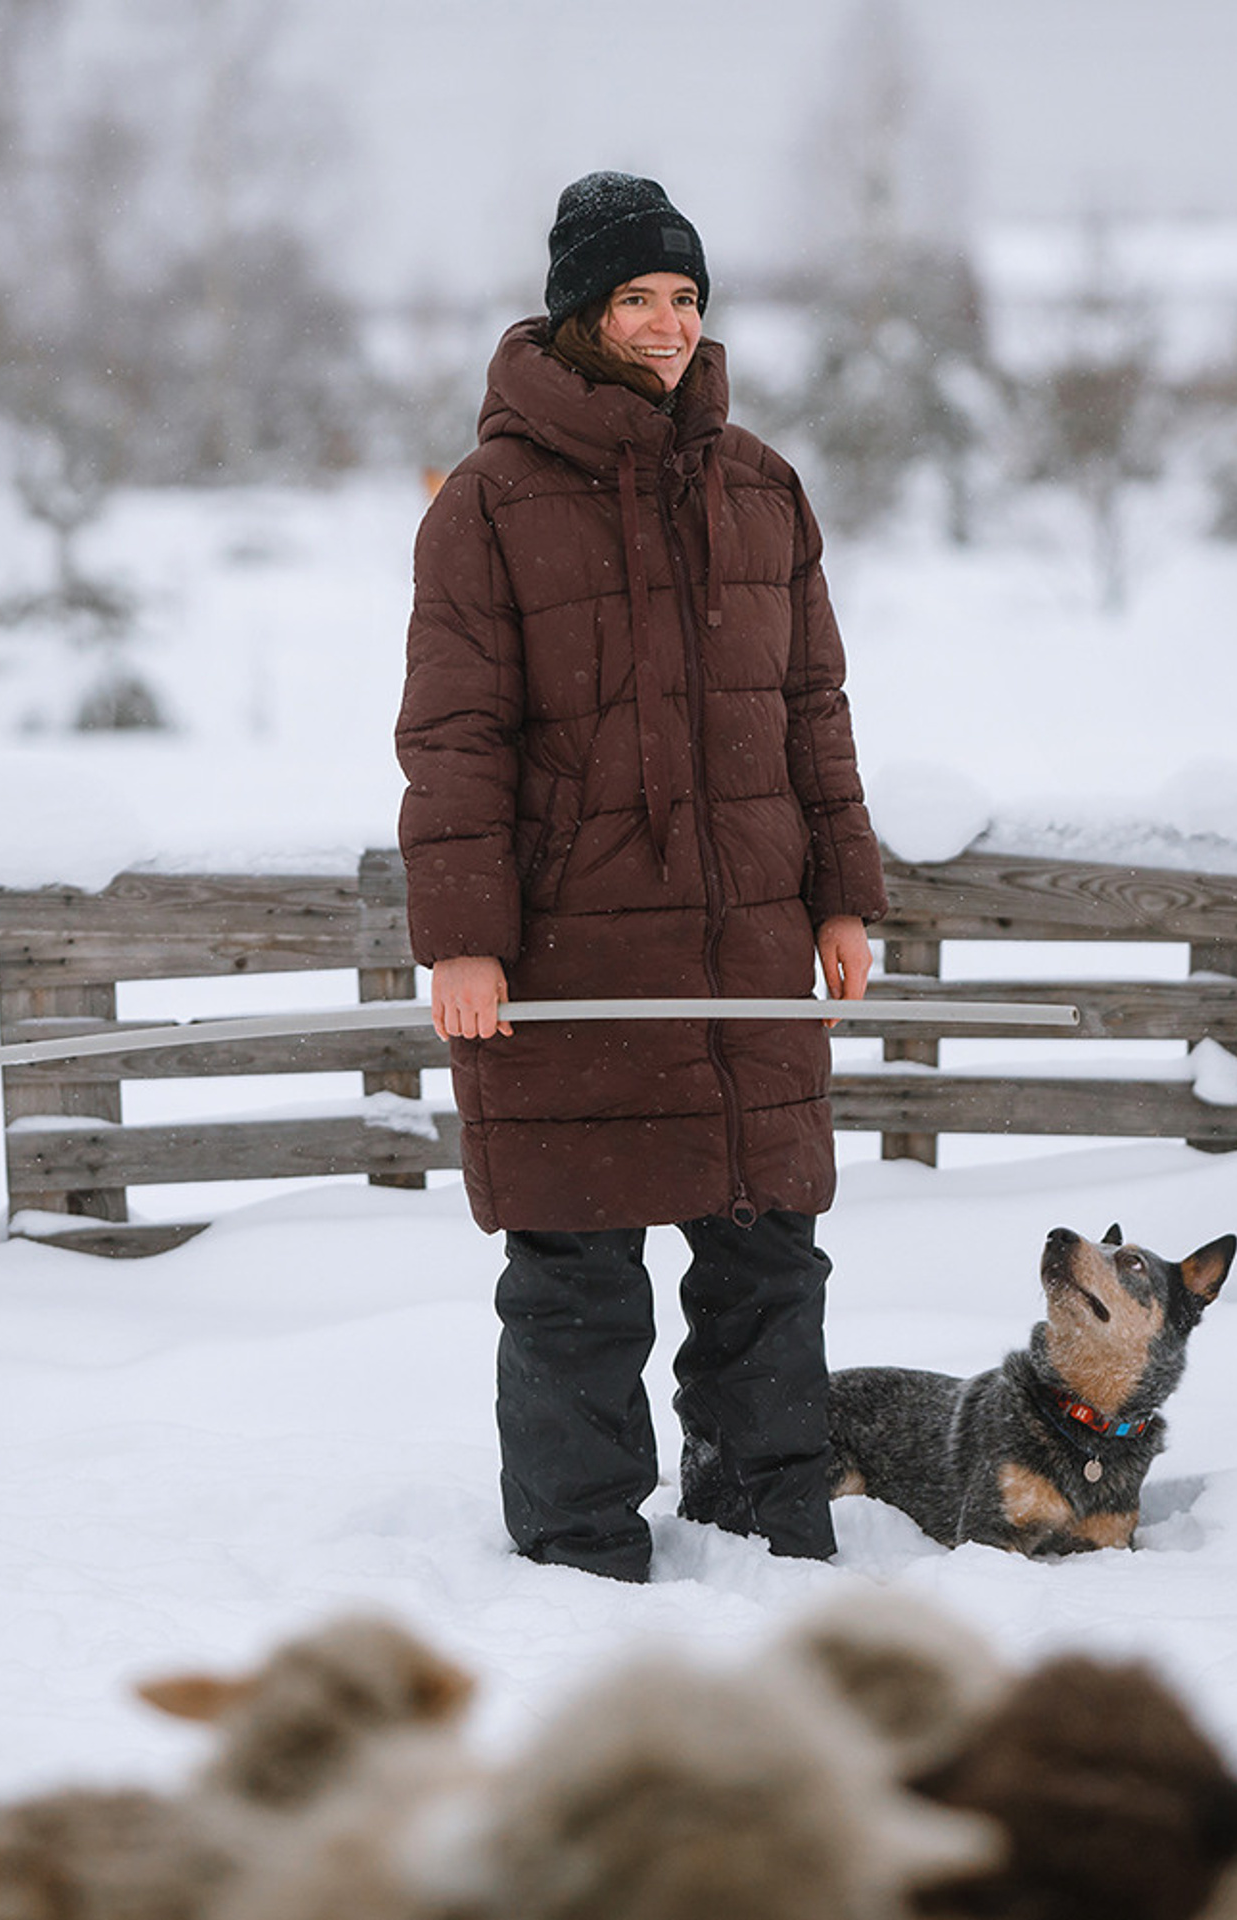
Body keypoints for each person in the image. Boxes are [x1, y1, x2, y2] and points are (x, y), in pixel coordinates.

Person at [396, 171, 888, 1583]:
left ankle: (771, 1534)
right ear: (579, 312)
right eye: (638, 297)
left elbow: (813, 711)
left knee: (770, 1267)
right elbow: (456, 738)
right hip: (571, 954)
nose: (670, 325)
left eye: (686, 297)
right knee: (577, 1283)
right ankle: (577, 1557)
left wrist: (841, 897)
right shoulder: (488, 506)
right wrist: (465, 944)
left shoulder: (760, 487)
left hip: (746, 951)